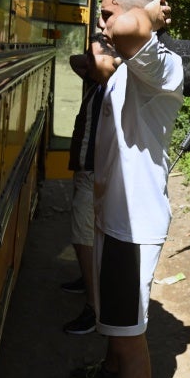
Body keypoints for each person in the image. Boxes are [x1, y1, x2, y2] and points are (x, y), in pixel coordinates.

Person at [62, 0, 184, 378]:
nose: (104, 25)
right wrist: (102, 41)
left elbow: (132, 28)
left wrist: (145, 10)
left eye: (106, 12)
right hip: (114, 218)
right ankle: (109, 369)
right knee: (118, 323)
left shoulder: (161, 60)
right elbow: (98, 57)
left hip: (133, 227)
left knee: (132, 338)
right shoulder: (126, 64)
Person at [61, 33, 118, 334]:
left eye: (95, 56)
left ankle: (93, 310)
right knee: (85, 236)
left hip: (96, 174)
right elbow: (73, 62)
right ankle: (88, 282)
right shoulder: (96, 84)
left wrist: (110, 57)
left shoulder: (114, 87)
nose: (89, 62)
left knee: (84, 237)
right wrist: (99, 54)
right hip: (86, 171)